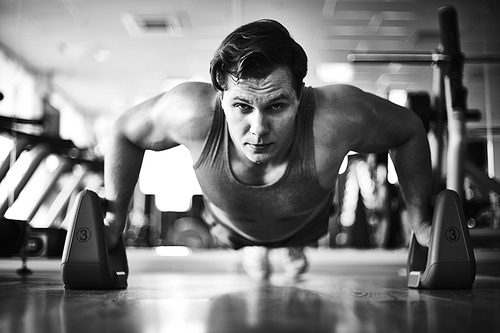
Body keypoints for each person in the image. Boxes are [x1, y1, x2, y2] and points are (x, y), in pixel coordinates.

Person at [103, 19, 432, 280]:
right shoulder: (190, 111)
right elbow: (123, 132)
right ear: (221, 96)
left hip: (306, 225)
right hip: (231, 229)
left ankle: (289, 248)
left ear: (299, 95)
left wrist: (420, 223)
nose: (258, 129)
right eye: (242, 106)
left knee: (292, 251)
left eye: (276, 106)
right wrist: (115, 221)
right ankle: (253, 247)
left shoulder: (336, 115)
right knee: (253, 251)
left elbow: (409, 130)